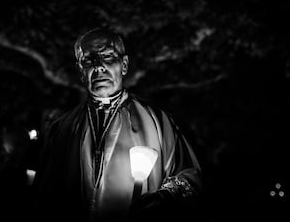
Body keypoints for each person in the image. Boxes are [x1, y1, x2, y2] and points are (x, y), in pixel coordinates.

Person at [32, 28, 202, 221]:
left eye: (107, 56)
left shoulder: (157, 122)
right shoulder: (62, 128)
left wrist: (164, 197)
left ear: (124, 65)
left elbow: (190, 177)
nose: (99, 67)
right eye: (89, 60)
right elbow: (42, 200)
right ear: (81, 71)